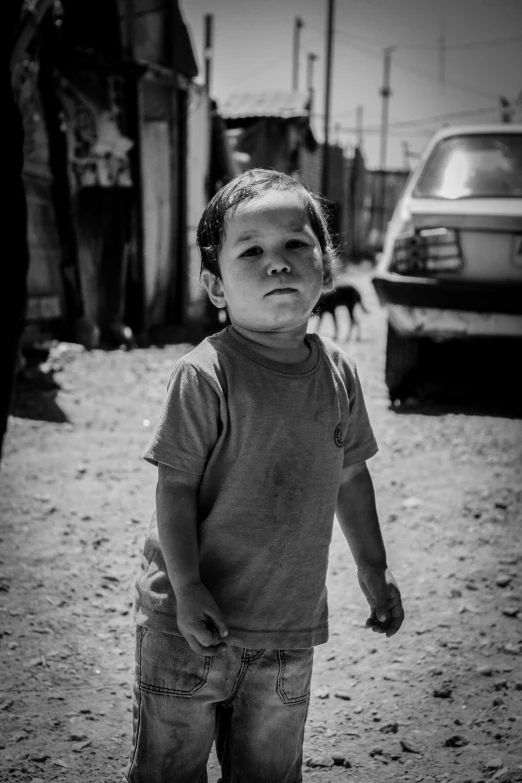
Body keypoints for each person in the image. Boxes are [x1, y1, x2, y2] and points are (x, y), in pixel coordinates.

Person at [125, 168, 404, 783]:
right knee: (169, 770)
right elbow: (173, 488)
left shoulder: (339, 375)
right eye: (251, 251)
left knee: (271, 774)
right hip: (187, 627)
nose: (277, 264)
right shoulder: (206, 375)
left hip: (287, 630)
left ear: (326, 269)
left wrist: (373, 567)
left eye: (296, 246)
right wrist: (190, 585)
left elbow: (351, 478)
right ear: (215, 285)